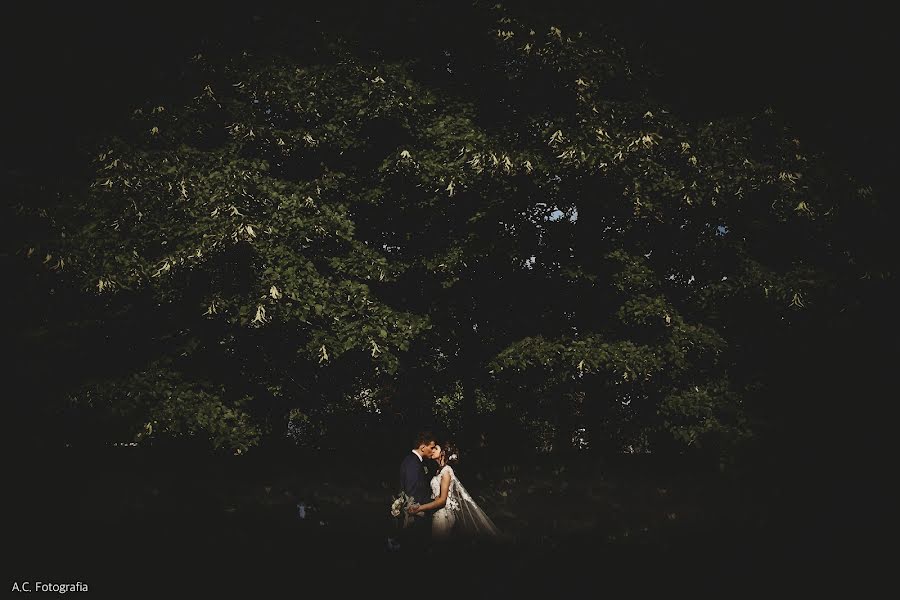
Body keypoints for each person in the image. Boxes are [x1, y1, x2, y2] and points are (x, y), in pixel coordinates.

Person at [408, 441, 501, 541]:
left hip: (443, 516)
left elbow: (442, 500)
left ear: (443, 453)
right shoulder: (439, 471)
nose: (433, 450)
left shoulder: (446, 472)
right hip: (438, 513)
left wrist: (420, 508)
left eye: (436, 448)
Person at [398, 430, 437, 551]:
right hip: (416, 519)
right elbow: (412, 494)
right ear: (423, 447)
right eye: (432, 447)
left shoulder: (415, 461)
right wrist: (435, 502)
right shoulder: (412, 463)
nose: (433, 450)